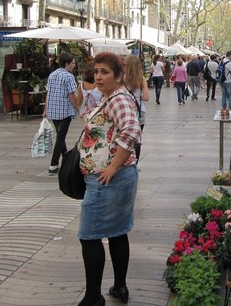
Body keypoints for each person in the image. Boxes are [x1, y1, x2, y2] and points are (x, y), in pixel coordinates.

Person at [77, 52, 141, 306]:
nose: (99, 76)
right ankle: (120, 286)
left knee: (89, 235)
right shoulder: (110, 97)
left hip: (108, 180)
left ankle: (93, 297)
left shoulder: (119, 99)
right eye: (96, 72)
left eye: (104, 72)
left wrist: (113, 166)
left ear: (118, 76)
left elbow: (132, 130)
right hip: (115, 177)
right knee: (117, 232)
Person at [44, 52, 78, 175]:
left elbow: (48, 92)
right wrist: (79, 109)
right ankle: (53, 164)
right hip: (64, 111)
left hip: (53, 110)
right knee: (60, 137)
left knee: (60, 136)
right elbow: (72, 95)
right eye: (73, 63)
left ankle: (66, 159)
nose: (74, 65)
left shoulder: (52, 75)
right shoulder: (69, 77)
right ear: (66, 64)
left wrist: (45, 109)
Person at [124, 54, 149, 161]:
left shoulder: (122, 79)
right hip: (139, 112)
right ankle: (135, 162)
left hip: (126, 111)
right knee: (137, 139)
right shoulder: (141, 79)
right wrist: (138, 96)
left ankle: (125, 160)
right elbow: (146, 97)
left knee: (125, 138)